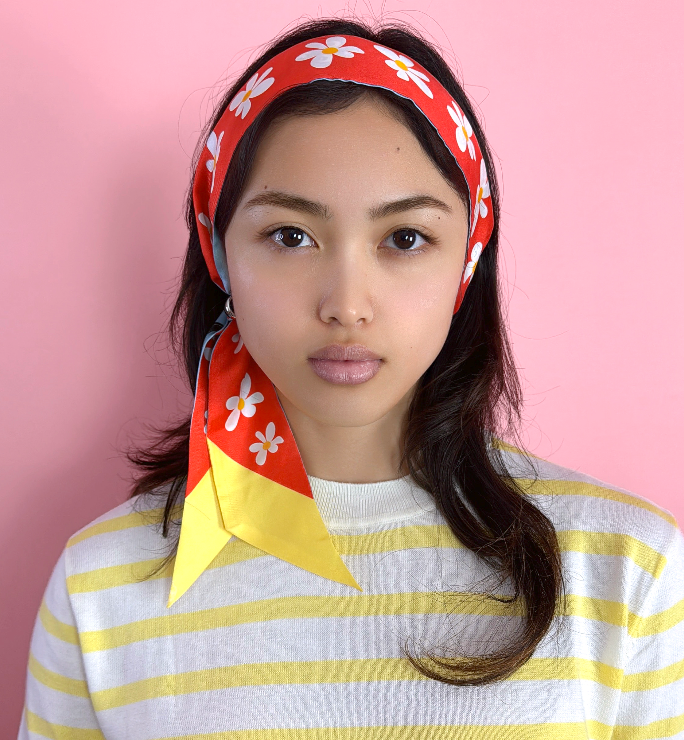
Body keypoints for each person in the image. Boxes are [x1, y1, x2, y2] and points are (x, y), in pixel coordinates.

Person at [19, 17, 684, 740]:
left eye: (405, 238)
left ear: (466, 261)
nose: (346, 305)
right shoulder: (101, 588)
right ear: (220, 255)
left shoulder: (631, 572)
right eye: (290, 236)